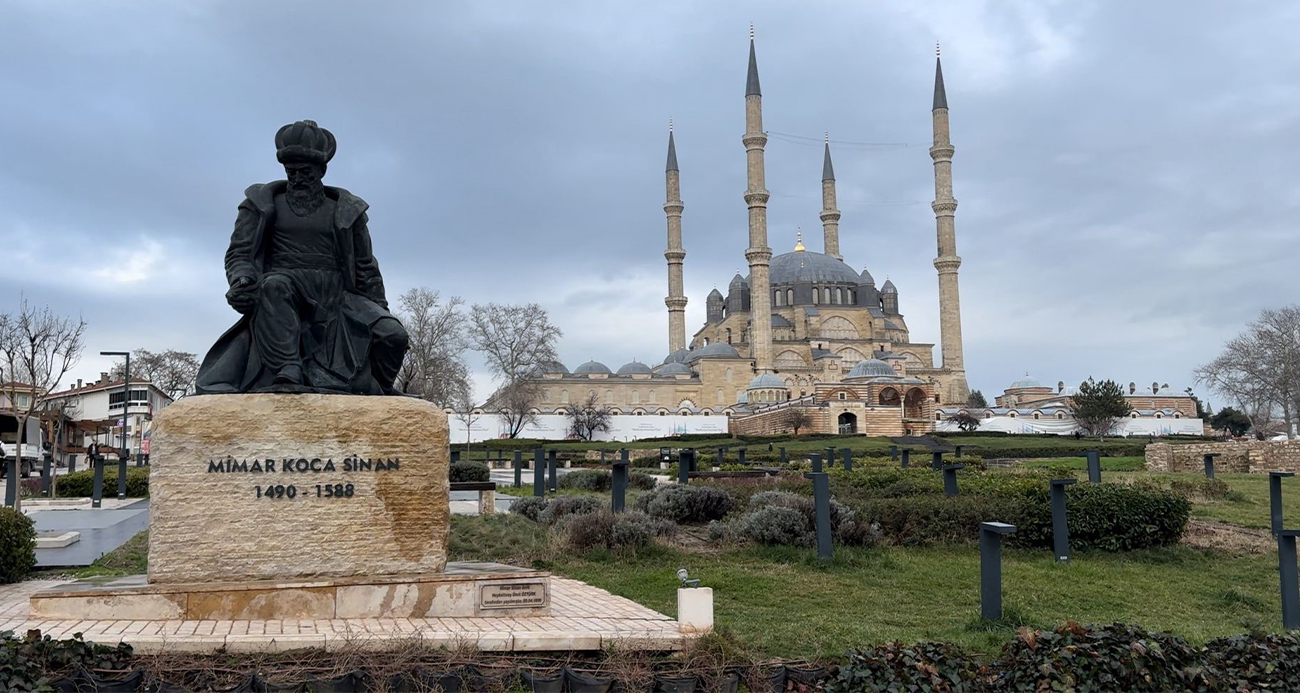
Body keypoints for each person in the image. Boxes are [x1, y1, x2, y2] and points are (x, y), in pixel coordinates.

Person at [196, 120, 408, 395]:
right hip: (283, 290)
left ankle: (378, 387)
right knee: (273, 285)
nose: (296, 178)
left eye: (304, 172)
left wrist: (380, 310)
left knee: (394, 335)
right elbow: (240, 253)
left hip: (338, 296)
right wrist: (242, 280)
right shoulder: (261, 204)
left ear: (322, 170)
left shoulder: (347, 210)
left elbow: (365, 266)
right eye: (291, 171)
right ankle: (288, 368)